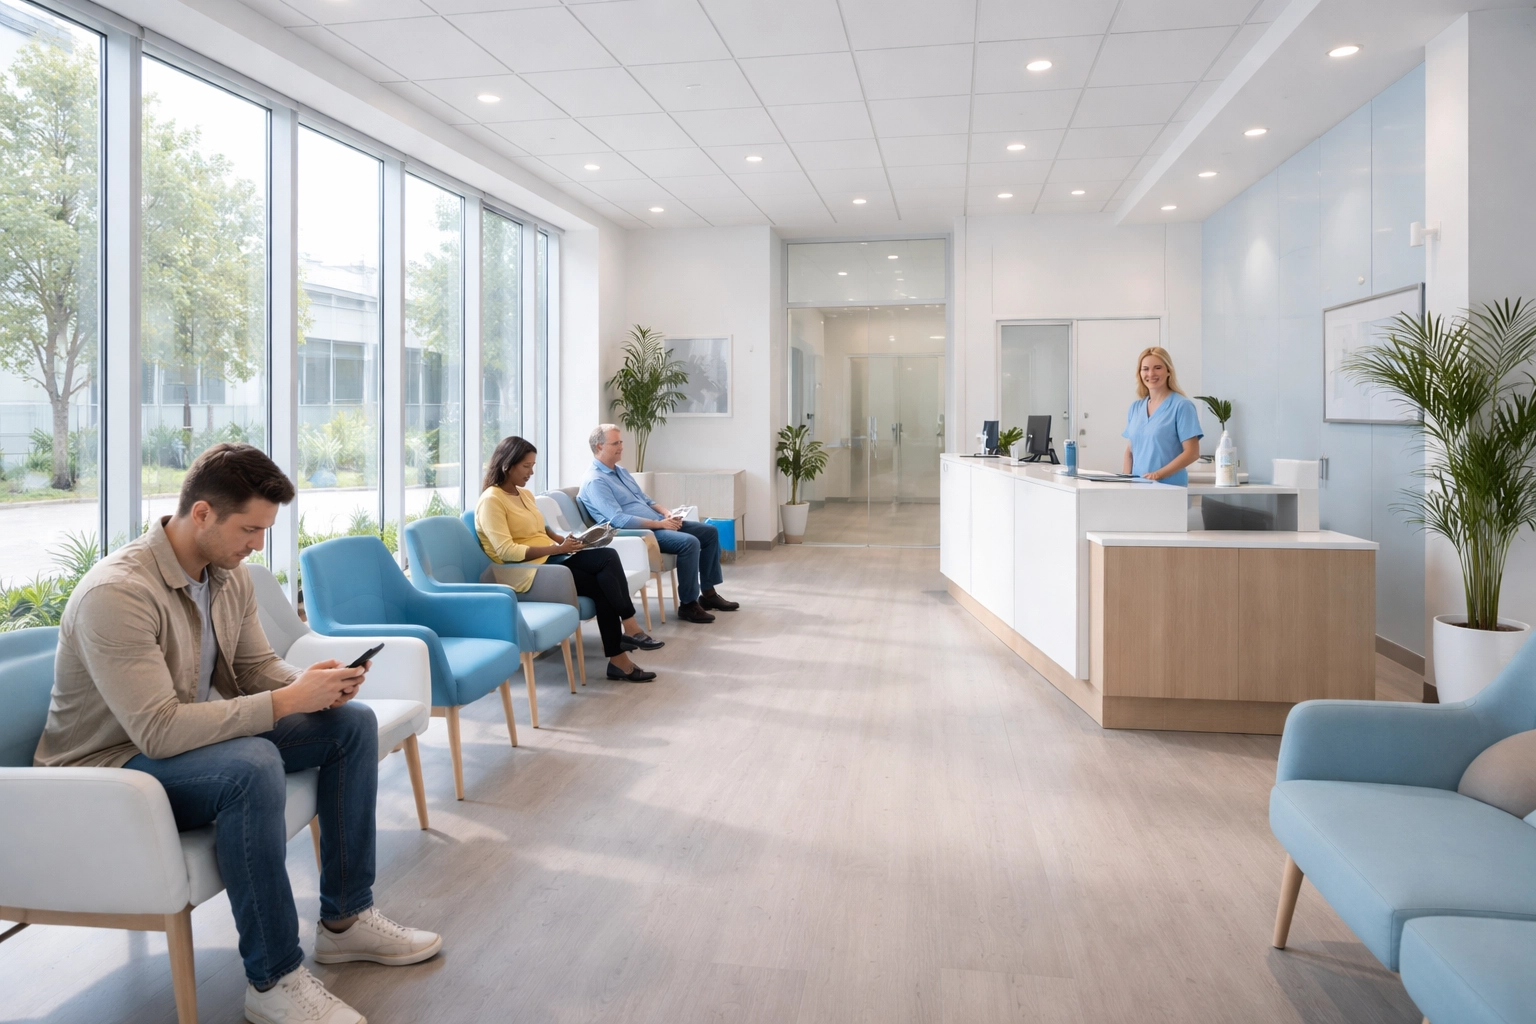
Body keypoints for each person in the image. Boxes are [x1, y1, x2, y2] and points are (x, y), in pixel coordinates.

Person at [33, 444, 440, 1024]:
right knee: (250, 767)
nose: (258, 544)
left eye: (265, 530)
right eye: (250, 529)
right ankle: (273, 979)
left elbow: (254, 669)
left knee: (349, 726)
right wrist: (286, 701)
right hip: (107, 771)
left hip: (178, 742)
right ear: (202, 513)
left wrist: (312, 685)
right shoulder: (117, 594)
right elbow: (158, 731)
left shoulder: (228, 575)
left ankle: (346, 921)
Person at [476, 435, 662, 683]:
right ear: (507, 465)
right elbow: (506, 551)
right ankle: (629, 628)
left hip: (550, 562)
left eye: (533, 466)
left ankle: (620, 661)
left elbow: (542, 528)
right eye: (526, 466)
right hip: (524, 574)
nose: (531, 472)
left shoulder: (524, 495)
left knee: (603, 582)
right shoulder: (491, 500)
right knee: (606, 558)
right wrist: (555, 550)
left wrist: (566, 541)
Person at [578, 424, 739, 624]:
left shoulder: (621, 471)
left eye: (621, 442)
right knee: (689, 543)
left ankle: (708, 594)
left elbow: (646, 500)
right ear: (599, 446)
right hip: (641, 533)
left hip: (658, 523)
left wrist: (666, 513)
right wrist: (660, 524)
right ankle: (688, 604)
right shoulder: (595, 481)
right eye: (615, 443)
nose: (621, 446)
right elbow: (618, 520)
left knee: (709, 532)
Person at [1122, 346, 1204, 485]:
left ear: (1168, 371)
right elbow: (1130, 451)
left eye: (1158, 368)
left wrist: (1158, 475)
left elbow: (1192, 453)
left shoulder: (1182, 406)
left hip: (1169, 487)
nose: (1151, 373)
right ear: (1140, 373)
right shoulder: (1135, 408)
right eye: (1145, 369)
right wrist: (1125, 482)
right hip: (1137, 487)